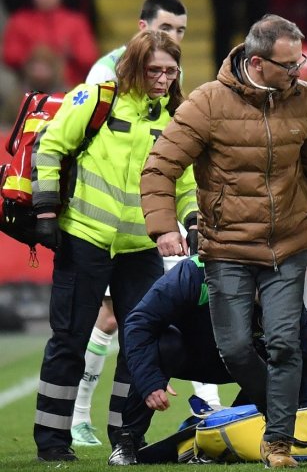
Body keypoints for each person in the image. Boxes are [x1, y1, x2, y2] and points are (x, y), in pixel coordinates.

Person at [140, 14, 307, 469]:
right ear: (257, 63)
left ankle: (277, 445)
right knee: (236, 348)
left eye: (302, 61)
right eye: (290, 65)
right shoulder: (206, 103)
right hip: (227, 248)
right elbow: (160, 166)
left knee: (283, 344)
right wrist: (163, 228)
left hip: (288, 247)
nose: (300, 72)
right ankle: (281, 414)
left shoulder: (306, 104)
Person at [31, 29, 197, 463]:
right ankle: (52, 442)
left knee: (142, 342)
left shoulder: (176, 117)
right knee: (69, 340)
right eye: (154, 70)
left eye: (170, 71)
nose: (163, 78)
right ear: (134, 66)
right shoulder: (96, 98)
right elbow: (49, 146)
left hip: (139, 248)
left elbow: (184, 181)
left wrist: (194, 218)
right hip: (84, 238)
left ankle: (127, 437)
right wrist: (46, 210)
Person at [69, 0, 202, 448]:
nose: (174, 39)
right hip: (105, 226)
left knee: (152, 320)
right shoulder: (110, 72)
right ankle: (81, 416)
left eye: (181, 32)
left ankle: (123, 425)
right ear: (144, 28)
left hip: (148, 228)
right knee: (111, 319)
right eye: (166, 29)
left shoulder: (168, 78)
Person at [119, 255, 307, 455]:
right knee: (161, 347)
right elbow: (139, 323)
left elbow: (306, 353)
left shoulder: (282, 292)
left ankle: (240, 423)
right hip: (185, 352)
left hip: (241, 362)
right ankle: (128, 438)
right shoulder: (193, 274)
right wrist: (150, 381)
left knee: (285, 355)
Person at [1, 0, 98, 89]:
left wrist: (69, 53)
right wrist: (35, 58)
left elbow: (89, 57)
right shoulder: (20, 20)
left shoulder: (75, 21)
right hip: (26, 82)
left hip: (67, 83)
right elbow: (9, 55)